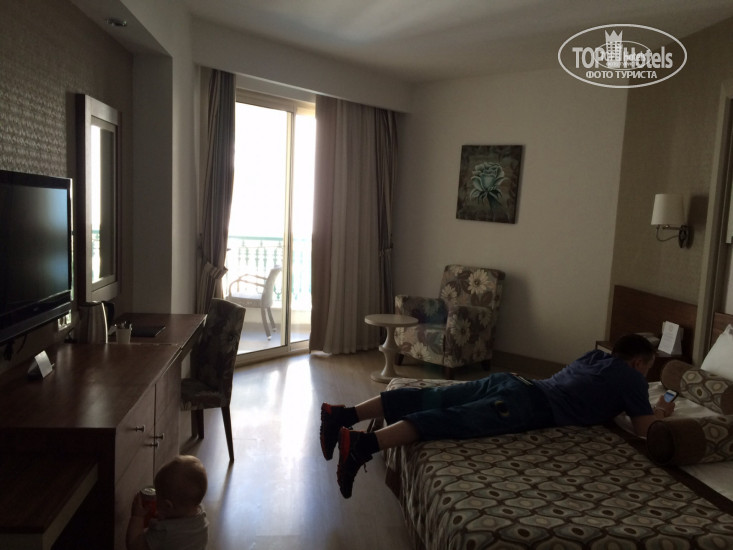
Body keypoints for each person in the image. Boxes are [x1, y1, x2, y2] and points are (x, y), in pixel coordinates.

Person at [320, 333, 675, 499]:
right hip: (527, 404)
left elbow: (590, 392)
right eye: (648, 369)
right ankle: (363, 445)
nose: (646, 375)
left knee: (430, 397)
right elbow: (645, 429)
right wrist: (660, 412)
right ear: (638, 363)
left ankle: (342, 415)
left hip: (513, 381)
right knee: (450, 418)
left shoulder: (595, 357)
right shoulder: (631, 379)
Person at [126, 455, 209, 550]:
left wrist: (137, 517)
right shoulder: (201, 516)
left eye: (157, 498)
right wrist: (165, 513)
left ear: (168, 506)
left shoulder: (163, 531)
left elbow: (135, 546)